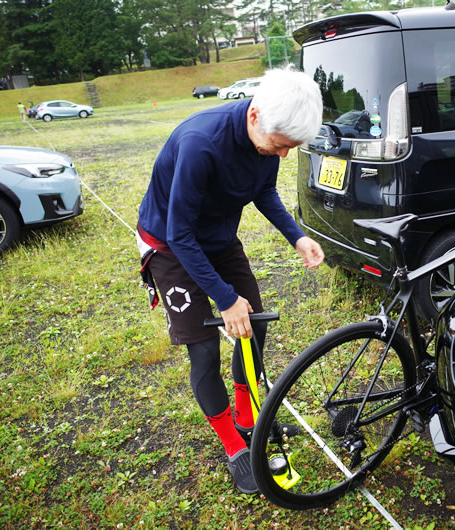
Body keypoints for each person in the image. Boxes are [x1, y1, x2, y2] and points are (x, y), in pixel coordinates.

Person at [136, 67, 324, 494]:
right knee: (204, 352)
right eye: (280, 146)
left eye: (291, 148)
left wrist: (297, 236)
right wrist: (224, 298)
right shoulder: (201, 145)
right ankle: (233, 446)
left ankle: (247, 420)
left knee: (252, 327)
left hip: (218, 239)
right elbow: (179, 233)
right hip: (169, 246)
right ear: (255, 116)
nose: (283, 156)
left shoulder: (267, 143)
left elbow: (265, 192)